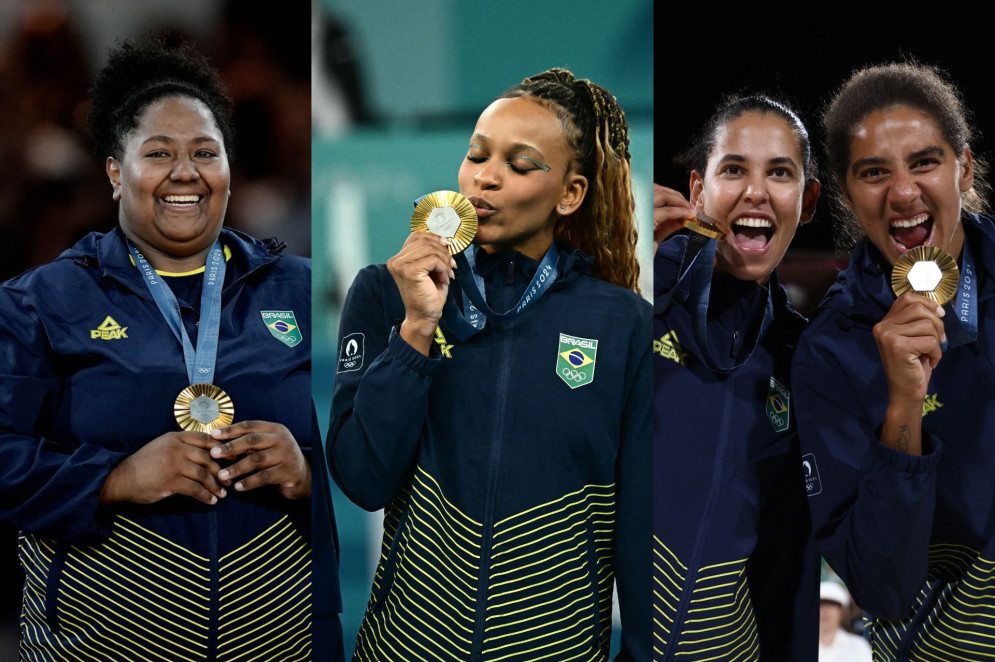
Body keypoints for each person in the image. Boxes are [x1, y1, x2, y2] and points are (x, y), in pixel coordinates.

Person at [0, 36, 342, 661]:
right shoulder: (41, 303)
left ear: (229, 171)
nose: (185, 172)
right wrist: (114, 478)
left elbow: (382, 459)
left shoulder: (306, 292)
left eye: (205, 153)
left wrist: (307, 473)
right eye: (158, 153)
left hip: (283, 645)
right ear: (113, 171)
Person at [326, 68, 651, 661]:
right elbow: (362, 479)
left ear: (570, 193)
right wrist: (416, 331)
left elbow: (639, 534)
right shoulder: (385, 293)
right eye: (477, 155)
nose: (486, 178)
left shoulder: (623, 324)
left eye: (521, 164)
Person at [792, 60, 995, 661]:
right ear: (847, 194)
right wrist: (903, 407)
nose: (903, 192)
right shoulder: (830, 353)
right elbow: (884, 589)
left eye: (925, 162)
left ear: (965, 167)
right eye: (874, 173)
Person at [653, 94, 822, 661]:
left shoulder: (799, 357)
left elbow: (785, 567)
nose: (756, 192)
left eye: (780, 172)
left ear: (808, 199)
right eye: (734, 169)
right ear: (697, 192)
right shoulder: (633, 298)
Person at [818, 581, 872, 661]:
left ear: (842, 611)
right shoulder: (798, 644)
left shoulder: (858, 646)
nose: (826, 610)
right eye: (821, 604)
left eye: (832, 605)